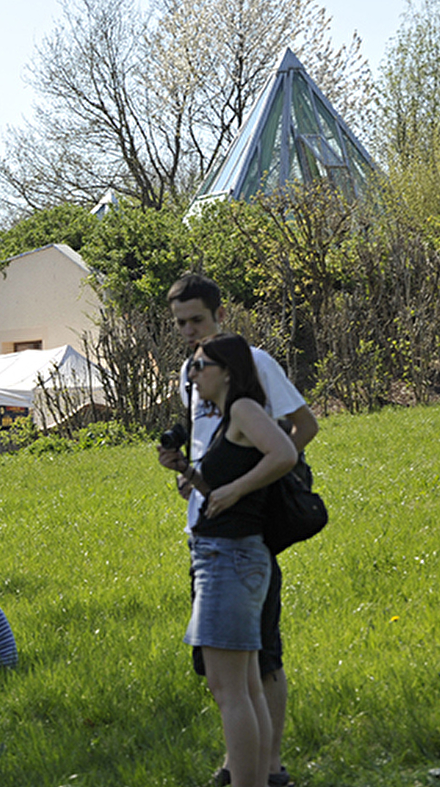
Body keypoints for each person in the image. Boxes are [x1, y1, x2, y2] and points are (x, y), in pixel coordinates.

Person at [157, 274, 317, 787]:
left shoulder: (252, 364)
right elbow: (219, 451)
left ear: (220, 316)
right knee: (231, 673)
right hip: (208, 532)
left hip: (241, 539)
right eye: (180, 323)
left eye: (197, 321)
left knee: (259, 660)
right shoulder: (193, 373)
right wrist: (193, 477)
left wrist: (250, 488)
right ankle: (239, 765)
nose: (188, 333)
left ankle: (267, 770)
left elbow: (299, 432)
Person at [180, 333, 298, 787]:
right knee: (245, 689)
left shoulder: (246, 408)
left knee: (229, 691)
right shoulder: (231, 417)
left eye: (200, 365)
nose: (193, 375)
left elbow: (286, 452)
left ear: (226, 370)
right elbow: (228, 489)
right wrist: (192, 475)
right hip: (229, 557)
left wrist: (234, 488)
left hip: (229, 560)